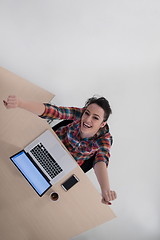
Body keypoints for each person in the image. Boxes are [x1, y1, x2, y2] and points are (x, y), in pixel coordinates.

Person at [3, 95, 117, 205]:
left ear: (102, 124)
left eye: (95, 118)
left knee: (33, 188)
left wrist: (105, 190)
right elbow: (53, 111)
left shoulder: (104, 139)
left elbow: (101, 159)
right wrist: (20, 103)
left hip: (65, 163)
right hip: (50, 144)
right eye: (87, 113)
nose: (87, 119)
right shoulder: (79, 114)